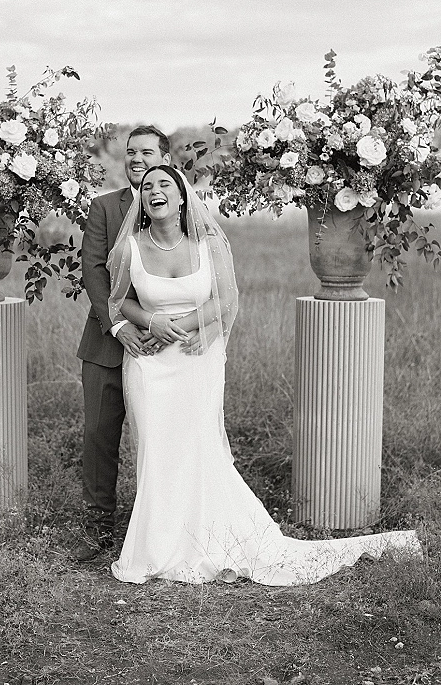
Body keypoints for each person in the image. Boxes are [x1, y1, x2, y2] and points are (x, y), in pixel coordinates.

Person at [106, 164, 421, 585]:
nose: (155, 191)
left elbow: (227, 298)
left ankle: (204, 538)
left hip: (198, 360)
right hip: (151, 363)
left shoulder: (209, 244)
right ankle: (158, 546)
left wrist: (196, 327)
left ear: (182, 197)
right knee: (157, 449)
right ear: (142, 200)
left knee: (199, 447)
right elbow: (119, 301)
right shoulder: (130, 248)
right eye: (147, 186)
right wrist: (150, 320)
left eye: (165, 184)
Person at [74, 126, 171, 561]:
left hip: (165, 345)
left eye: (146, 152)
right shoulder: (103, 208)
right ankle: (99, 530)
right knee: (99, 434)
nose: (135, 159)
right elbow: (94, 272)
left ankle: (164, 526)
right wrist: (116, 324)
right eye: (130, 152)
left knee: (164, 436)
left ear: (165, 159)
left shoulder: (183, 211)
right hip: (106, 343)